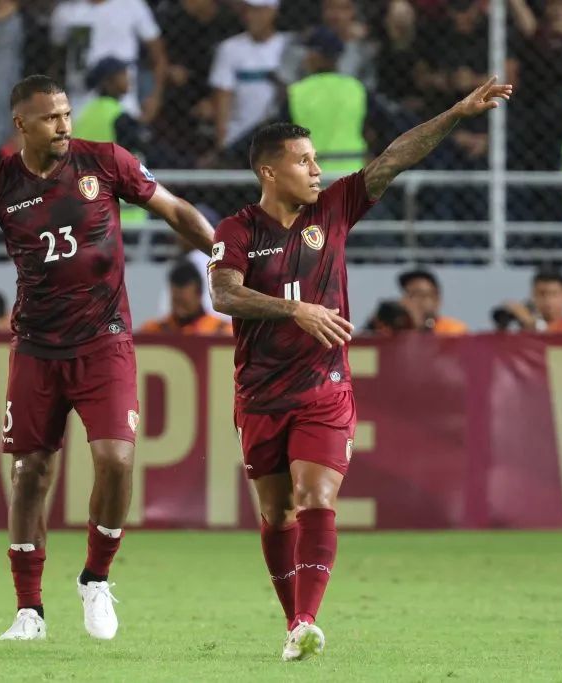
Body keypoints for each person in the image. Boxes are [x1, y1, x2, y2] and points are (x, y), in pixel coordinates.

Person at [0, 75, 214, 643]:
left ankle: (95, 578)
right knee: (29, 474)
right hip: (37, 349)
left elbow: (173, 208)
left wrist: (220, 254)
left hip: (104, 341)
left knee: (116, 458)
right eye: (50, 118)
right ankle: (29, 612)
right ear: (22, 124)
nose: (64, 125)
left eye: (66, 114)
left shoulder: (106, 162)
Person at [207, 77, 512, 661]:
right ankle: (293, 621)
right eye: (303, 160)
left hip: (324, 387)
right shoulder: (238, 230)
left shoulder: (335, 207)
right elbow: (225, 295)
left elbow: (396, 157)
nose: (317, 169)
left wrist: (455, 110)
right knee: (275, 513)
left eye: (317, 158)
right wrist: (296, 309)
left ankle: (306, 618)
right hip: (260, 393)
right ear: (270, 172)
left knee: (314, 494)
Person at [139, 260, 232, 335]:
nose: (180, 310)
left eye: (184, 303)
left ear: (199, 295)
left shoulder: (220, 331)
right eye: (176, 302)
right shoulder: (154, 331)